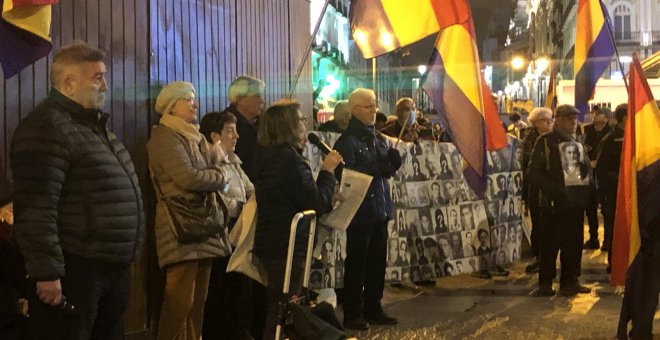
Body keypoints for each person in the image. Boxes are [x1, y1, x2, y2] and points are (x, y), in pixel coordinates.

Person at [10, 42, 144, 340]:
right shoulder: (46, 127)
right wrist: (46, 272)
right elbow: (37, 207)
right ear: (68, 83)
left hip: (110, 266)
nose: (106, 86)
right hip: (76, 268)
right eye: (97, 77)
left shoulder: (91, 126)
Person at [148, 81, 232, 340]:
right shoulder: (164, 137)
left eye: (194, 99)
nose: (194, 103)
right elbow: (187, 177)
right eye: (188, 99)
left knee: (198, 302)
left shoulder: (192, 136)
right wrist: (219, 177)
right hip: (180, 226)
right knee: (179, 302)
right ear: (172, 107)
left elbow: (202, 171)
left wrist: (212, 172)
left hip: (200, 224)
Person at [251, 100, 341, 339]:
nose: (305, 123)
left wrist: (328, 191)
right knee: (283, 308)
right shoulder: (289, 160)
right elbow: (315, 202)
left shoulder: (272, 156)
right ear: (289, 126)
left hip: (274, 241)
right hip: (286, 245)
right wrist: (327, 172)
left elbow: (297, 196)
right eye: (301, 119)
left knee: (282, 306)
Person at [333, 88, 402, 330]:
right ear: (354, 110)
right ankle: (353, 312)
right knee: (357, 264)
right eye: (367, 106)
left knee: (376, 263)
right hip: (360, 211)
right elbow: (345, 174)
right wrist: (377, 167)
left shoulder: (378, 138)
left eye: (374, 106)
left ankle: (374, 306)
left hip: (380, 208)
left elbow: (386, 172)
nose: (374, 110)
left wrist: (393, 162)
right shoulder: (347, 141)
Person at [199, 110, 256, 340]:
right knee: (219, 293)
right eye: (230, 131)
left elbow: (250, 188)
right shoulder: (210, 163)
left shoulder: (234, 162)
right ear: (214, 136)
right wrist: (244, 208)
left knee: (238, 290)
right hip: (220, 234)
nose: (237, 136)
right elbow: (220, 198)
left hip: (238, 232)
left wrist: (252, 203)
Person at [529, 104, 591, 297]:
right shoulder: (545, 142)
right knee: (549, 245)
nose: (574, 122)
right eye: (569, 119)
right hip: (553, 204)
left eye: (575, 119)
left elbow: (584, 171)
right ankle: (545, 284)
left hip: (574, 204)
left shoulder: (578, 142)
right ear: (559, 120)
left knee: (573, 244)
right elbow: (534, 172)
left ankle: (569, 281)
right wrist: (553, 191)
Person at [595, 104, 627, 271]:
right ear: (623, 118)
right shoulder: (609, 140)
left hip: (633, 193)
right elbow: (601, 169)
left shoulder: (636, 138)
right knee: (614, 227)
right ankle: (615, 262)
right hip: (614, 192)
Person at [522, 107, 553, 273]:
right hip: (535, 189)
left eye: (550, 120)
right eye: (545, 121)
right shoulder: (531, 139)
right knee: (538, 225)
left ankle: (546, 257)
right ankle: (537, 257)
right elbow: (528, 165)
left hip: (549, 190)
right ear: (535, 123)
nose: (549, 124)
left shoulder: (551, 138)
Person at [223, 76, 265, 181]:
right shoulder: (225, 125)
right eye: (257, 96)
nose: (262, 101)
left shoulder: (261, 123)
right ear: (240, 98)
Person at [582, 106, 612, 249]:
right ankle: (593, 238)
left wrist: (598, 163)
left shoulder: (610, 133)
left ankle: (607, 239)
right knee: (590, 208)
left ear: (606, 118)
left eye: (599, 114)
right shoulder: (588, 131)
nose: (595, 115)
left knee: (606, 210)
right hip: (589, 174)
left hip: (604, 175)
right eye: (595, 113)